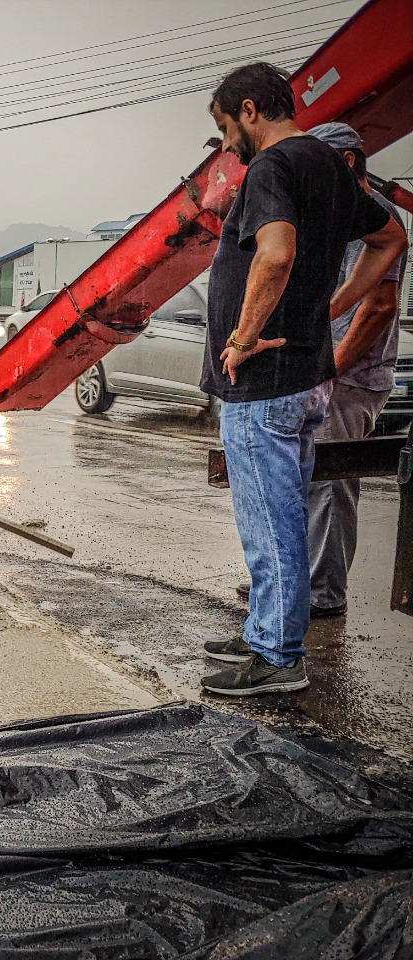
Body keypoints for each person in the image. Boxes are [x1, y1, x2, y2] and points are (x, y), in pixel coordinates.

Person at [198, 63, 407, 696]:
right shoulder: (328, 165)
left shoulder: (273, 167)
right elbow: (389, 237)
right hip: (305, 372)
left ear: (251, 109)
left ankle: (279, 655)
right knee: (281, 507)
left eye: (226, 125)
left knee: (271, 515)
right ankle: (268, 627)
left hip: (268, 379)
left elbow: (277, 252)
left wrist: (242, 336)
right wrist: (332, 307)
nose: (228, 141)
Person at [306, 122, 407, 618]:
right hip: (327, 370)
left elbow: (378, 308)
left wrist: (330, 368)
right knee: (307, 480)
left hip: (350, 376)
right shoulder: (333, 215)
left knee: (330, 484)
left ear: (347, 162)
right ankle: (299, 582)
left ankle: (323, 595)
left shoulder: (376, 217)